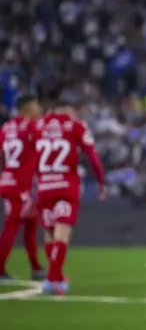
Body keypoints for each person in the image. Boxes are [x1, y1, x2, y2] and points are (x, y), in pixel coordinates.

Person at [34, 98, 107, 296]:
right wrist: (101, 181)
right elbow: (92, 155)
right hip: (66, 186)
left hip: (44, 187)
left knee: (49, 234)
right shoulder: (76, 125)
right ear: (70, 110)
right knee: (62, 235)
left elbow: (30, 156)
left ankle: (56, 276)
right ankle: (52, 279)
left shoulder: (39, 125)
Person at [0, 95, 44, 281]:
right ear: (28, 108)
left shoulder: (6, 128)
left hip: (8, 181)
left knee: (31, 224)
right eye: (36, 106)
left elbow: (2, 155)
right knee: (12, 225)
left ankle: (35, 267)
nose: (39, 110)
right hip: (21, 186)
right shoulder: (32, 127)